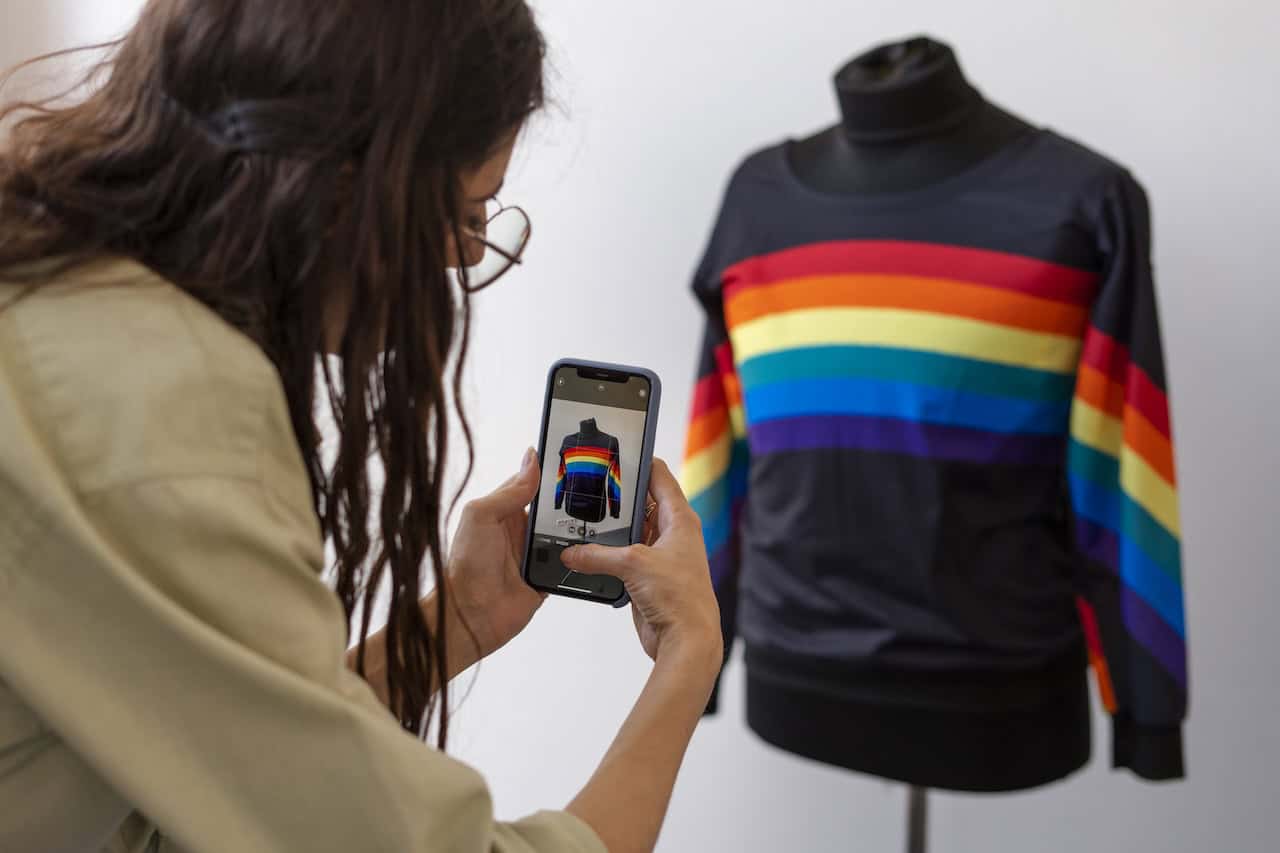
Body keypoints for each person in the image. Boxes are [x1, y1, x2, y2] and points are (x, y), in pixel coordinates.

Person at [0, 1, 722, 851]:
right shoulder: (171, 417)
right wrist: (688, 659)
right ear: (346, 181)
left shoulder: (63, 295)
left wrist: (460, 617)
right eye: (468, 213)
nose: (466, 256)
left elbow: (229, 766)